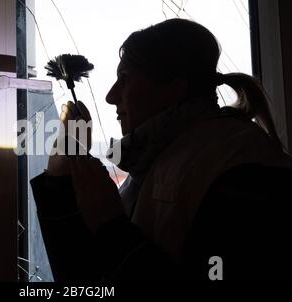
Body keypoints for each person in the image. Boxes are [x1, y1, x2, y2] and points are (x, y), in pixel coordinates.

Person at [30, 19, 292, 280]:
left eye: (125, 78)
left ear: (174, 89)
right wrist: (60, 176)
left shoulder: (243, 169)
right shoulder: (161, 159)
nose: (110, 96)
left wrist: (110, 224)